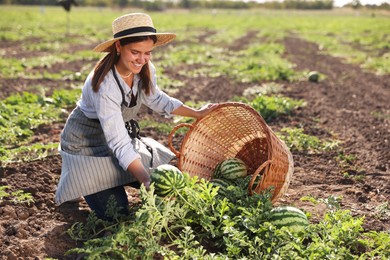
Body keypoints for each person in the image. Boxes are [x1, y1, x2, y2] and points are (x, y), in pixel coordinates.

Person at [55, 13, 218, 220]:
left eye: (148, 53)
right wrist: (145, 180)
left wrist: (196, 113)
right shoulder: (104, 84)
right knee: (117, 214)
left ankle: (114, 176)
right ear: (118, 47)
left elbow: (158, 99)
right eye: (135, 52)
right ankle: (75, 177)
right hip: (88, 144)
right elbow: (118, 141)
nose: (142, 59)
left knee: (169, 174)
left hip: (117, 138)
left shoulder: (145, 69)